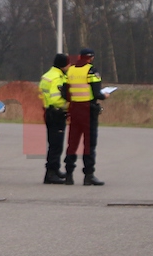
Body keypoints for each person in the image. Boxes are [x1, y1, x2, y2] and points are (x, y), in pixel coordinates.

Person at [63, 47, 105, 186]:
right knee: (89, 143)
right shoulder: (91, 70)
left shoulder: (71, 70)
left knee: (72, 142)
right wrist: (105, 95)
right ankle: (89, 175)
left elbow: (65, 93)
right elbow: (97, 93)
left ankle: (68, 175)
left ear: (80, 56)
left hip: (74, 109)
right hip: (88, 110)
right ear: (91, 58)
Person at [38, 53, 70, 184]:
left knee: (53, 143)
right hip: (57, 112)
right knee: (56, 145)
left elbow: (41, 94)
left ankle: (54, 169)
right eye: (68, 64)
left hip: (48, 111)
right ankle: (51, 173)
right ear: (63, 65)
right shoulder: (58, 78)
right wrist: (68, 106)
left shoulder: (47, 76)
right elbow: (57, 98)